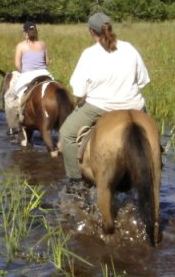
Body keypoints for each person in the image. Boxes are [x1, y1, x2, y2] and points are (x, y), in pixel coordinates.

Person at [59, 12, 150, 190]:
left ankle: (75, 182)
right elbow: (143, 81)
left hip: (100, 106)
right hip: (134, 106)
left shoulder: (89, 54)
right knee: (150, 136)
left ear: (91, 32)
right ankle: (157, 158)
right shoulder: (130, 48)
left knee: (66, 134)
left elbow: (79, 90)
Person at [4, 22, 53, 132]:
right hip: (45, 74)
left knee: (9, 97)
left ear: (24, 33)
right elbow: (47, 61)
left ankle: (14, 126)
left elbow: (17, 65)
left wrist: (24, 71)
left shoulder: (21, 46)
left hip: (27, 75)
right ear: (36, 32)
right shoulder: (42, 44)